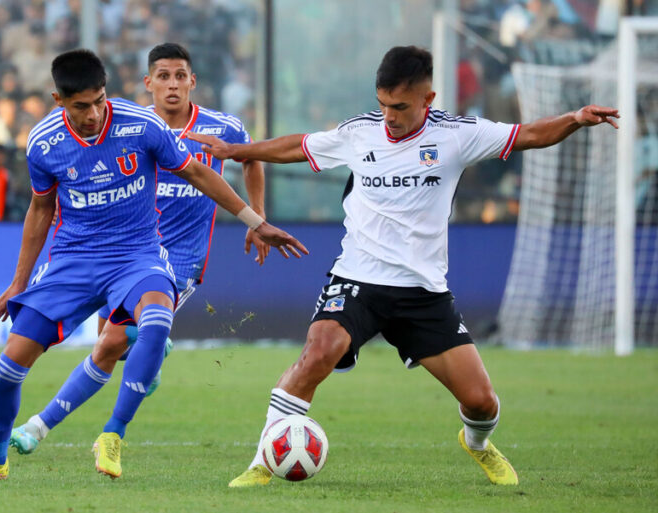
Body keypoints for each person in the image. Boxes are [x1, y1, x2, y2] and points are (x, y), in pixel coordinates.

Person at [188, 45, 619, 487]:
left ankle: (477, 444)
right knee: (318, 352)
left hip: (422, 291)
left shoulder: (457, 135)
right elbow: (299, 145)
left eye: (400, 107)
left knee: (482, 402)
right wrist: (236, 149)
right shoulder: (361, 132)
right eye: (382, 104)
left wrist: (575, 118)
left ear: (427, 99)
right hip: (357, 278)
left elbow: (528, 134)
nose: (389, 116)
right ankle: (262, 462)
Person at [0, 48, 306, 483]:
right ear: (59, 100)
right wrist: (17, 283)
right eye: (81, 106)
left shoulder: (141, 125)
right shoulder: (43, 143)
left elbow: (198, 173)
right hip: (74, 260)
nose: (93, 114)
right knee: (10, 365)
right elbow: (40, 210)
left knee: (155, 320)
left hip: (137, 257)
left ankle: (113, 433)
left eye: (99, 100)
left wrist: (256, 220)